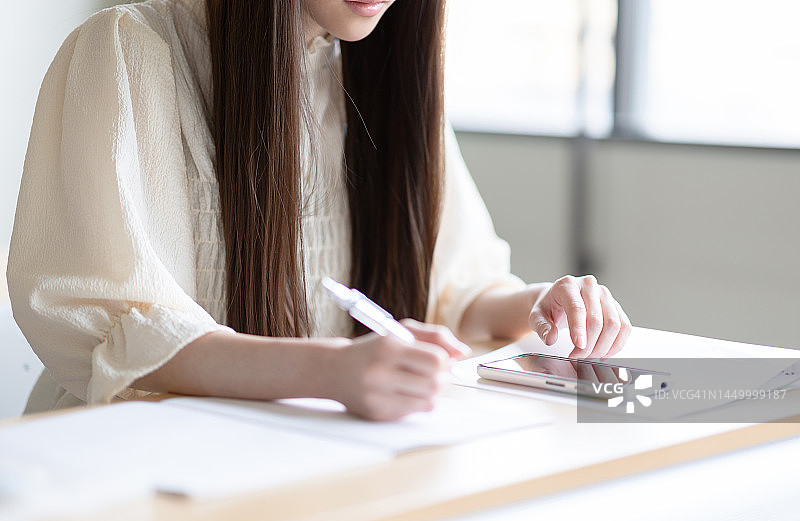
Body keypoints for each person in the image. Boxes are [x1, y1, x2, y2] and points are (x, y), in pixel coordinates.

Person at [8, 0, 630, 421]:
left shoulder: (384, 75)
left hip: (306, 459)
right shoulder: (129, 49)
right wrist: (332, 371)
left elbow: (453, 292)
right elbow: (120, 336)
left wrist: (541, 305)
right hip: (140, 474)